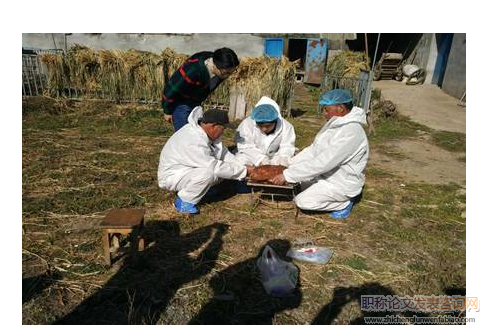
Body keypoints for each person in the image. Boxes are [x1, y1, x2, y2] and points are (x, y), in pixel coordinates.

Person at [269, 89, 369, 219]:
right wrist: (290, 164)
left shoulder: (351, 132)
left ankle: (344, 203)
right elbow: (314, 150)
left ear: (341, 108)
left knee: (302, 201)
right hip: (328, 175)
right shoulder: (336, 124)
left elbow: (323, 163)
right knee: (298, 183)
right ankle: (325, 193)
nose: (324, 113)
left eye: (327, 110)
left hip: (341, 184)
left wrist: (287, 175)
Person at [158, 107, 253, 214]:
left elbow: (225, 155)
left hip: (189, 169)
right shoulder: (193, 140)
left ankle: (202, 190)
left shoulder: (208, 135)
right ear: (213, 126)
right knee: (209, 173)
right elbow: (213, 167)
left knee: (221, 170)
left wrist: (244, 166)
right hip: (173, 175)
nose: (223, 132)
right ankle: (184, 201)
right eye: (223, 129)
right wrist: (245, 171)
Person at [161, 47, 239, 131]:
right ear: (215, 65)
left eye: (231, 72)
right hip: (181, 103)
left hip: (195, 102)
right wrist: (167, 111)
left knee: (197, 132)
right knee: (185, 132)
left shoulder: (219, 66)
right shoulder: (193, 70)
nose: (227, 76)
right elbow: (172, 88)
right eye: (225, 73)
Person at [234, 96, 296, 167]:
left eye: (268, 126)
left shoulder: (287, 127)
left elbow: (287, 146)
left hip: (274, 157)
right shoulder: (246, 125)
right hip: (251, 156)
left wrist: (282, 159)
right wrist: (260, 159)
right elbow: (245, 147)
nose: (264, 129)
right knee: (239, 163)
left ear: (275, 121)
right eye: (260, 125)